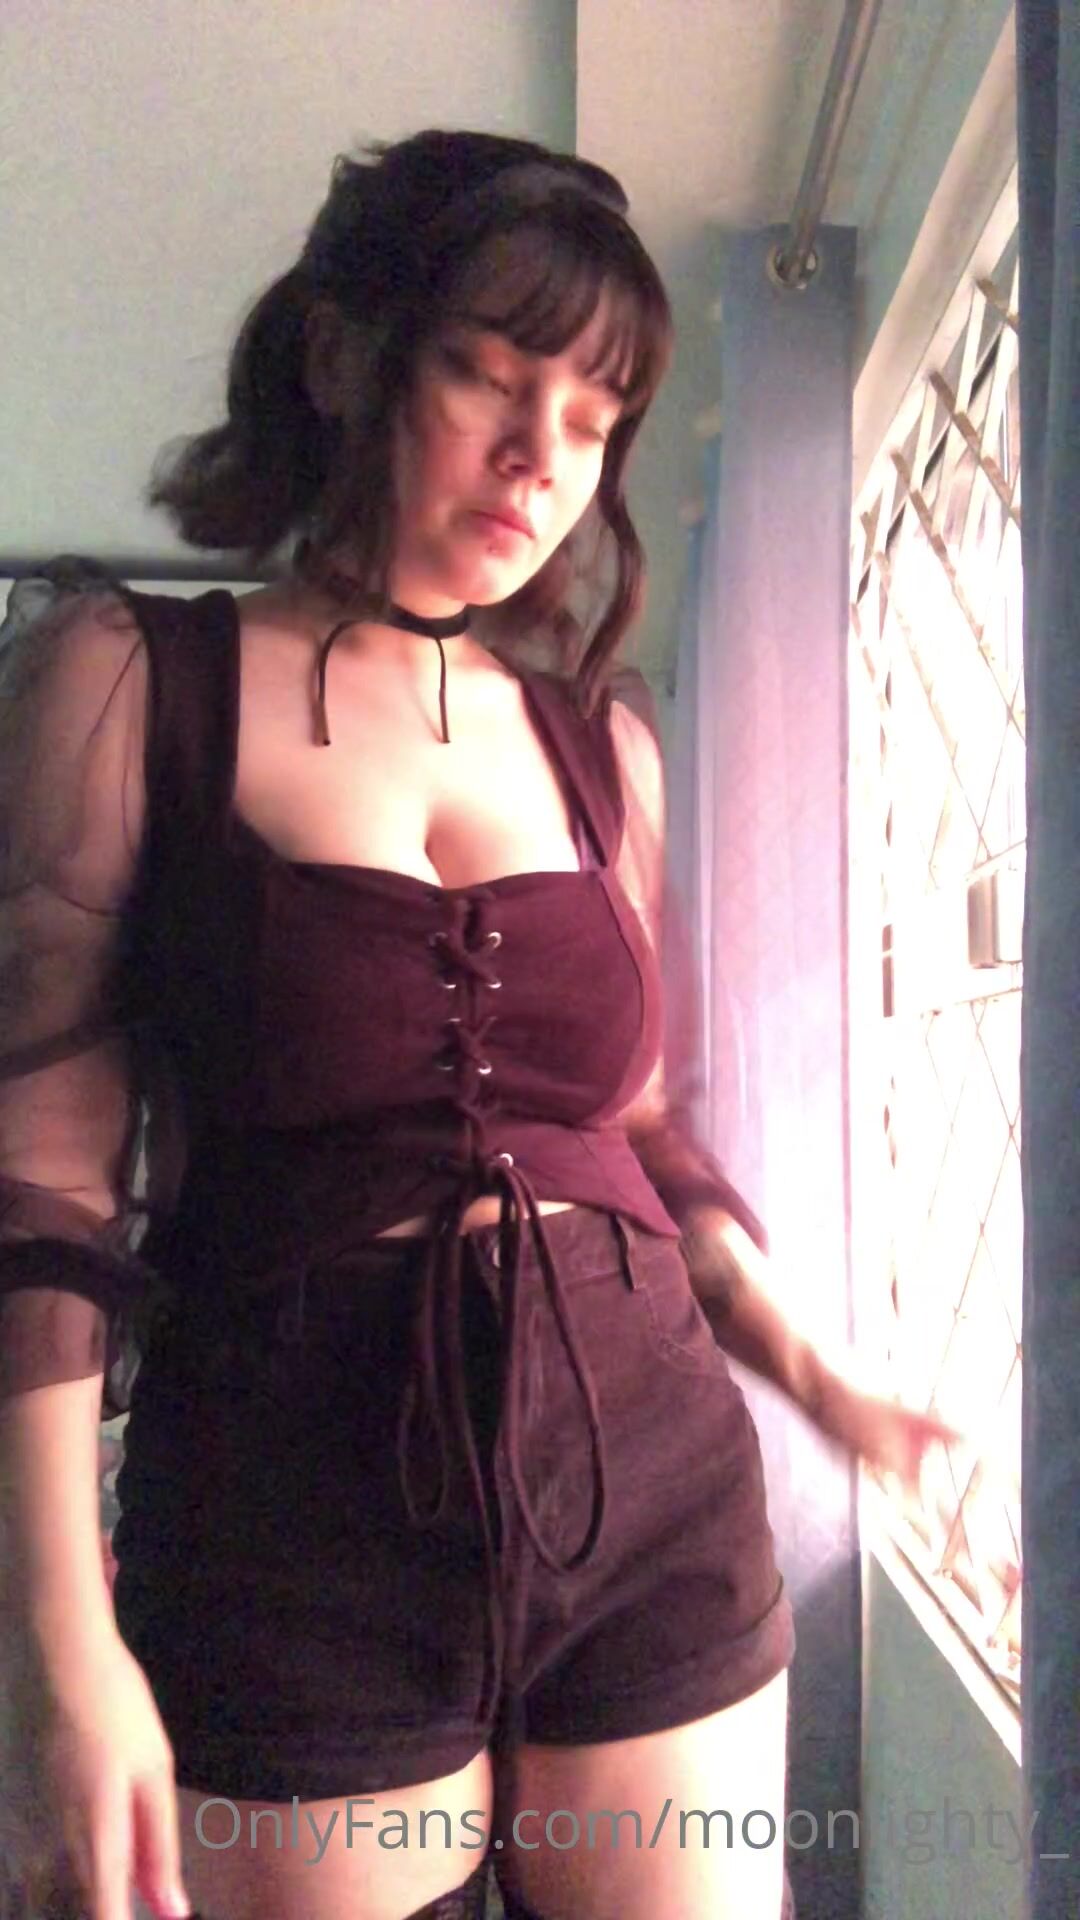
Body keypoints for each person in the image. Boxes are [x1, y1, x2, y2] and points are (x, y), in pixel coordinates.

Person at [0, 130, 954, 1920]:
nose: (542, 460)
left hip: (656, 1505)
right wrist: (58, 1639)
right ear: (344, 354)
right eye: (491, 377)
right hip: (289, 1529)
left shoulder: (603, 748)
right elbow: (38, 1187)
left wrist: (815, 1372)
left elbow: (643, 1133)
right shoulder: (129, 685)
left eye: (593, 418)